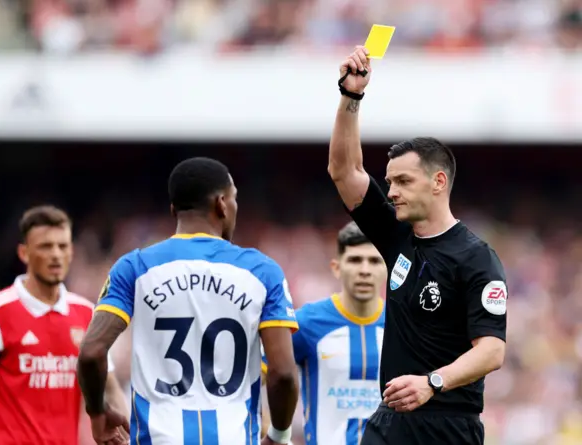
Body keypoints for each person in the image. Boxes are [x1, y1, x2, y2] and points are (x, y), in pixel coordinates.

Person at [327, 46, 508, 445]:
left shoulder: (476, 256)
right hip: (390, 420)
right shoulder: (397, 236)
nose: (391, 192)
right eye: (390, 182)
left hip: (448, 423)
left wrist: (433, 382)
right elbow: (344, 171)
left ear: (438, 182)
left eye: (403, 182)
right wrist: (351, 97)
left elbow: (492, 351)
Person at [76, 157, 300, 445]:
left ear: (174, 210)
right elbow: (282, 374)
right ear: (222, 203)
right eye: (234, 200)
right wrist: (279, 435)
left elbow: (91, 352)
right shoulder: (262, 271)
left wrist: (97, 412)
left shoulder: (135, 267)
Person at [0, 205, 128, 445]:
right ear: (24, 253)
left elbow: (110, 387)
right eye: (45, 246)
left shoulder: (86, 313)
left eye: (62, 246)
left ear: (71, 252)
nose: (55, 254)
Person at [260, 221, 387, 445]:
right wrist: (274, 432)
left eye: (374, 261)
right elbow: (249, 378)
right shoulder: (306, 323)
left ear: (387, 267)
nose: (365, 270)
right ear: (336, 267)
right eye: (355, 260)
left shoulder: (404, 326)